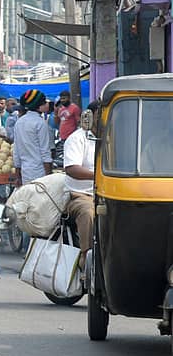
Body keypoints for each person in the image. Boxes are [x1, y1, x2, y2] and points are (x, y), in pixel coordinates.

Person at [63, 101, 98, 261]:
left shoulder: (115, 137)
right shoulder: (77, 139)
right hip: (82, 196)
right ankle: (87, 258)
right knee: (88, 213)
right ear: (89, 116)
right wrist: (97, 176)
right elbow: (71, 169)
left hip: (111, 195)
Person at [13, 89, 53, 184]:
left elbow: (16, 151)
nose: (46, 104)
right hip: (40, 173)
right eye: (44, 103)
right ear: (38, 106)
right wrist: (49, 176)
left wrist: (17, 175)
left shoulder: (19, 122)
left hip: (25, 172)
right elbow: (45, 152)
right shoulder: (40, 123)